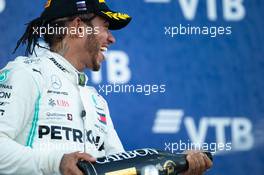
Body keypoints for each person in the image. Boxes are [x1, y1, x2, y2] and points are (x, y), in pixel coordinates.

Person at [0, 0, 212, 174]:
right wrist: (56, 162)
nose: (111, 38)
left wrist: (177, 168)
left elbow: (121, 170)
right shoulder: (26, 74)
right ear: (76, 27)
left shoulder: (96, 100)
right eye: (106, 27)